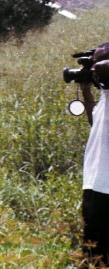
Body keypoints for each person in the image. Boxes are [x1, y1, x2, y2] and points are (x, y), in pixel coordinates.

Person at [80, 42, 109, 266]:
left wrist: (93, 67)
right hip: (95, 185)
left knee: (96, 258)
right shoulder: (104, 98)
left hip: (105, 189)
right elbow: (93, 120)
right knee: (94, 257)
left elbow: (104, 70)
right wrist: (86, 88)